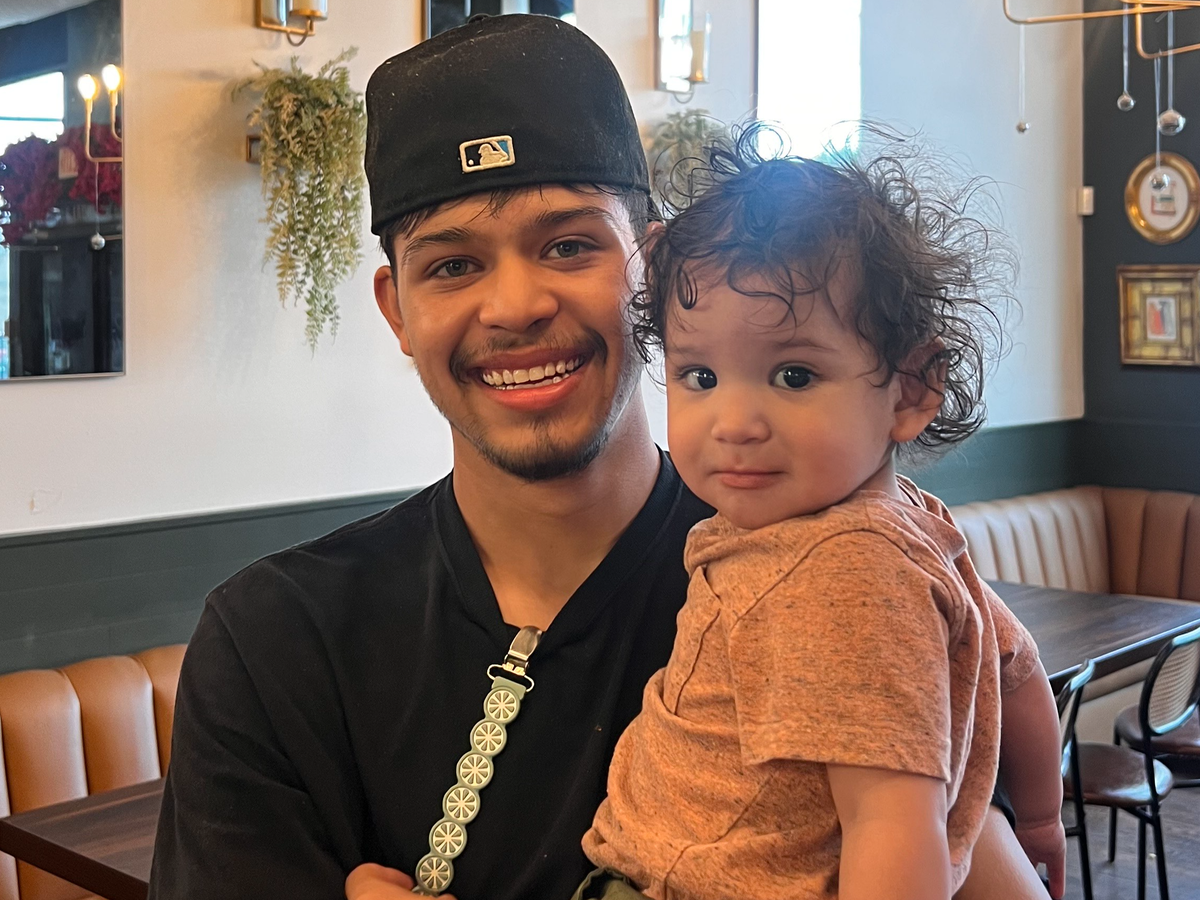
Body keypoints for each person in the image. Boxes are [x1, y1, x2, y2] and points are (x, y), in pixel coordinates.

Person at [148, 15, 1054, 900]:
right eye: (452, 265)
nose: (514, 306)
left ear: (651, 272)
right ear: (398, 310)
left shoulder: (828, 578)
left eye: (570, 244)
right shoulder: (275, 641)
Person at [575, 131, 1066, 900]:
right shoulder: (908, 525)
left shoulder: (844, 572)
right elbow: (1018, 666)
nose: (734, 422)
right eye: (699, 375)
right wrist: (1038, 819)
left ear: (911, 389)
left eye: (794, 375)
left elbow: (892, 827)